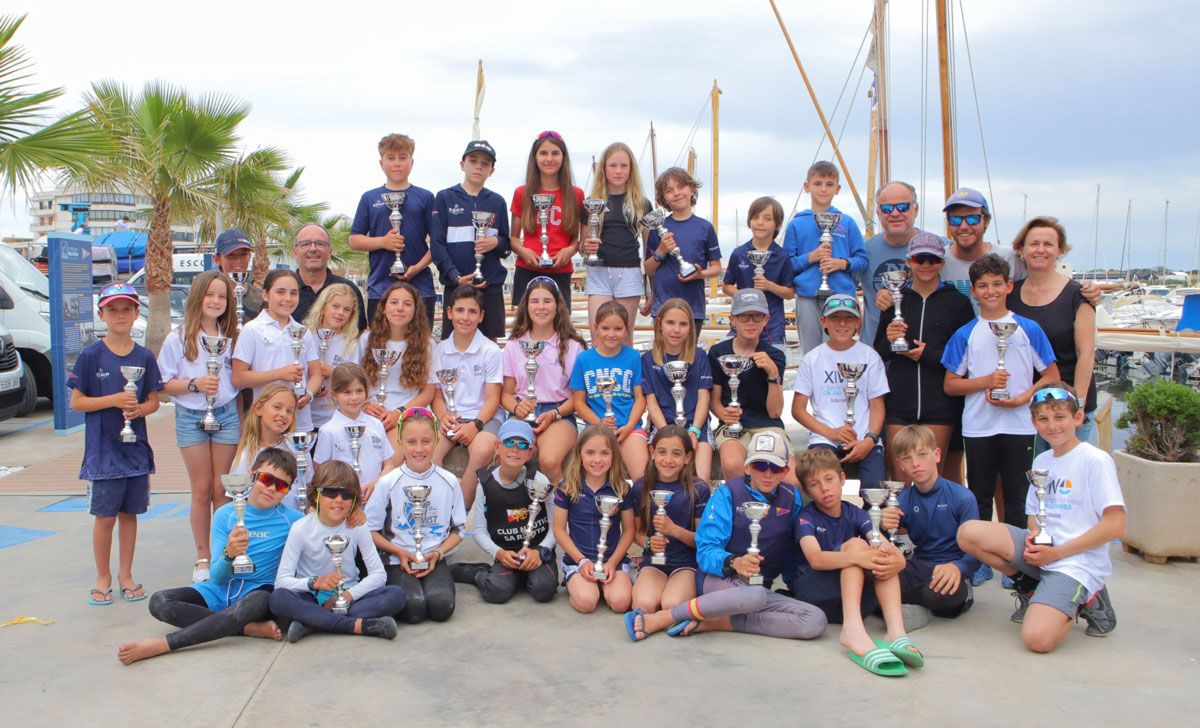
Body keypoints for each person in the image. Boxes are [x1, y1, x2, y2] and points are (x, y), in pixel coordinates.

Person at [957, 383, 1124, 652]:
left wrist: (1057, 554)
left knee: (1037, 640)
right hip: (1045, 553)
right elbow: (1034, 515)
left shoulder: (1096, 460)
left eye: (1060, 417)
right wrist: (1035, 537)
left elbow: (1116, 525)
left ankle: (1092, 598)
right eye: (1043, 419)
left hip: (1075, 562)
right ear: (1033, 422)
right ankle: (1033, 590)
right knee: (968, 533)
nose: (1052, 426)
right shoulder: (1042, 460)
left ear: (1078, 418)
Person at [626, 430, 826, 642]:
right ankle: (667, 617)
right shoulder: (727, 493)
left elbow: (789, 549)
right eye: (760, 465)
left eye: (776, 467)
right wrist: (734, 562)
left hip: (756, 588)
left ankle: (716, 623)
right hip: (719, 577)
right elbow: (705, 550)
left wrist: (795, 585)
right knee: (754, 595)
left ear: (786, 470)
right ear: (747, 466)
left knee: (815, 619)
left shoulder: (791, 497)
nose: (768, 474)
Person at [116, 448, 303, 664]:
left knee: (259, 601)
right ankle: (246, 629)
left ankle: (164, 644)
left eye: (281, 485)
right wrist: (228, 554)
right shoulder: (225, 514)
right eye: (266, 479)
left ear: (288, 491)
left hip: (258, 591)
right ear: (251, 475)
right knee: (159, 602)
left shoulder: (294, 521)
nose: (271, 488)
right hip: (218, 591)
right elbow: (217, 578)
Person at [942, 253, 1060, 527]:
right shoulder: (965, 333)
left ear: (1009, 286)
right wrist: (986, 381)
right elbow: (950, 385)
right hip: (979, 427)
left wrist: (1022, 398)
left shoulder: (1028, 328)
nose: (990, 291)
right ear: (973, 291)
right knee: (979, 497)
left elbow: (1051, 375)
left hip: (1020, 426)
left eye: (997, 284)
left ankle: (1014, 563)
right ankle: (980, 563)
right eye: (983, 285)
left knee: (1017, 498)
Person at [789, 448, 921, 677]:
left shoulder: (856, 514)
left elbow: (879, 545)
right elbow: (816, 559)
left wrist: (896, 558)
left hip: (853, 600)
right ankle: (852, 630)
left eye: (829, 479)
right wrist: (857, 556)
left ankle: (896, 632)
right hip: (815, 595)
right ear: (806, 489)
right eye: (814, 484)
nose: (824, 489)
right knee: (856, 546)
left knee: (878, 553)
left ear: (842, 479)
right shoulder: (805, 517)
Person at [70, 283, 162, 605]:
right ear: (101, 315)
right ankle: (103, 575)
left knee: (129, 514)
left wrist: (138, 408)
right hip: (103, 453)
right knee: (105, 516)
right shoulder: (91, 356)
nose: (120, 315)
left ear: (137, 313)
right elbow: (77, 402)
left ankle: (126, 573)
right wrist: (114, 399)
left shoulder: (145, 356)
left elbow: (154, 401)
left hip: (134, 452)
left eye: (126, 309)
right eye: (112, 309)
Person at [156, 271, 240, 582]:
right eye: (210, 295)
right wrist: (195, 384)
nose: (216, 301)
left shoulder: (233, 338)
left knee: (223, 490)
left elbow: (239, 380)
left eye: (222, 296)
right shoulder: (178, 338)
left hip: (227, 414)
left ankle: (224, 555)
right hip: (191, 417)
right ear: (197, 298)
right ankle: (203, 556)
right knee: (202, 489)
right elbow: (164, 382)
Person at [873, 234, 974, 479]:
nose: (926, 265)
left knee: (932, 476)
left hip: (940, 403)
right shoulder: (895, 300)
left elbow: (967, 358)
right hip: (899, 400)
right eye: (920, 258)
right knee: (901, 475)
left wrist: (928, 355)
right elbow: (878, 352)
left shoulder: (958, 302)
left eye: (933, 259)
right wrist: (889, 337)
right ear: (909, 261)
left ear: (941, 262)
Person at [269, 460, 404, 643]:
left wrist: (347, 596)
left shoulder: (357, 526)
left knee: (396, 595)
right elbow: (281, 581)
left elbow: (379, 574)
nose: (338, 499)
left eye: (346, 494)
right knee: (278, 598)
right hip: (312, 596)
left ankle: (312, 622)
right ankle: (358, 626)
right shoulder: (300, 528)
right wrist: (315, 583)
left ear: (354, 499)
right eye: (330, 492)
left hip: (350, 594)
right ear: (316, 496)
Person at [366, 407, 466, 624]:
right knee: (413, 610)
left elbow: (459, 530)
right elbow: (370, 530)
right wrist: (399, 552)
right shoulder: (388, 482)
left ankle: (451, 571)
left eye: (426, 441)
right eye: (411, 442)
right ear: (401, 443)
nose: (419, 449)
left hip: (433, 557)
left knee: (441, 607)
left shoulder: (448, 481)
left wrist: (438, 554)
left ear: (437, 442)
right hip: (397, 560)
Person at [1007, 217, 1097, 449]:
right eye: (1034, 243)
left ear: (1060, 250)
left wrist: (1078, 404)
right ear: (1021, 249)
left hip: (1067, 409)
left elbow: (1086, 354)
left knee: (1067, 481)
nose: (1040, 250)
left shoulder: (1078, 295)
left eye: (1048, 244)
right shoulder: (1010, 295)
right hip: (1027, 408)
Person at [880, 425, 980, 626]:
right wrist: (881, 526)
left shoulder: (962, 496)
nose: (916, 464)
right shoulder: (902, 499)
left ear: (937, 455)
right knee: (872, 575)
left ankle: (895, 605)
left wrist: (958, 567)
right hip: (919, 568)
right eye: (907, 458)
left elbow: (978, 554)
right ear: (900, 464)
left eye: (922, 455)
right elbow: (883, 546)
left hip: (951, 571)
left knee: (946, 594)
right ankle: (908, 607)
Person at [451, 420, 559, 604]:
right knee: (496, 592)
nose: (515, 449)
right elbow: (478, 531)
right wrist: (498, 553)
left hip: (536, 552)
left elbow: (556, 527)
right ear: (497, 447)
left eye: (522, 444)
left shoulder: (540, 481)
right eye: (509, 442)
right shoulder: (486, 483)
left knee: (544, 590)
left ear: (530, 452)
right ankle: (480, 572)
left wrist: (541, 551)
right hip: (506, 552)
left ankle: (519, 577)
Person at [792, 294, 889, 491]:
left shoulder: (870, 356)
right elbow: (798, 410)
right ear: (823, 321)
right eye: (835, 318)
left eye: (849, 318)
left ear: (858, 322)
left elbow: (878, 406)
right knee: (821, 487)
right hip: (824, 439)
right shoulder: (813, 358)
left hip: (864, 439)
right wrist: (831, 432)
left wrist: (870, 439)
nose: (842, 323)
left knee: (876, 490)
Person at [501, 276, 584, 484]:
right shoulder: (513, 345)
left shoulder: (573, 346)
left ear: (558, 306)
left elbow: (578, 398)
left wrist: (555, 413)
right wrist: (516, 408)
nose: (541, 307)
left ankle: (561, 511)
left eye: (547, 301)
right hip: (522, 411)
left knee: (548, 461)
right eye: (534, 301)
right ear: (526, 306)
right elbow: (506, 393)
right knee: (508, 460)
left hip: (559, 413)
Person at [349, 133, 436, 323]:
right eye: (391, 158)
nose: (397, 163)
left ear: (411, 162)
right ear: (381, 163)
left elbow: (438, 243)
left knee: (421, 347)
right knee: (380, 347)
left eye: (402, 157)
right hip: (381, 287)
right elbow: (354, 240)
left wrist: (417, 268)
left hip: (420, 287)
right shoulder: (369, 198)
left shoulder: (426, 197)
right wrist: (383, 242)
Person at [428, 140, 510, 340]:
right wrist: (455, 276)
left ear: (491, 170)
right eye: (473, 161)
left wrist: (496, 243)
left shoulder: (497, 201)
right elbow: (437, 245)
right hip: (456, 287)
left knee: (490, 347)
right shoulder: (445, 197)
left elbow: (507, 245)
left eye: (485, 163)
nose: (479, 167)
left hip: (490, 287)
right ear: (462, 164)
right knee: (453, 347)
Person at [783, 161, 867, 354]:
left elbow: (862, 260)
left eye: (829, 184)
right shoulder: (796, 224)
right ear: (807, 187)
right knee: (811, 353)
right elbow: (786, 265)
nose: (823, 189)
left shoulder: (847, 222)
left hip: (842, 297)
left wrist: (842, 263)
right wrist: (810, 257)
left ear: (837, 189)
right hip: (807, 297)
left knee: (841, 352)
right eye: (818, 183)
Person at [431, 285, 503, 509]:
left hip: (484, 418)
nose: (465, 317)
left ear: (481, 316)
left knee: (482, 453)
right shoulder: (438, 350)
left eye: (472, 312)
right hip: (449, 418)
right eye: (460, 310)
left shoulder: (490, 350)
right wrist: (443, 417)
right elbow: (435, 395)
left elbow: (493, 399)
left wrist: (475, 425)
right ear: (449, 312)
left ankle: (459, 514)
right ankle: (437, 509)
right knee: (428, 451)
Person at [553, 425, 635, 614]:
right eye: (590, 452)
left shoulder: (622, 488)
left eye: (605, 453)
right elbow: (559, 529)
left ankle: (608, 583)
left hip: (612, 560)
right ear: (579, 454)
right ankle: (577, 581)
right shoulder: (567, 487)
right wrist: (581, 561)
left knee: (621, 603)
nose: (597, 460)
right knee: (586, 603)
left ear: (614, 456)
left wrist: (613, 563)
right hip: (578, 560)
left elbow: (629, 530)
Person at [629, 426, 709, 616]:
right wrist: (649, 543)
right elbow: (638, 533)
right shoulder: (641, 486)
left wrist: (674, 530)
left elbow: (703, 540)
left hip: (686, 564)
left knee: (671, 605)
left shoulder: (699, 489)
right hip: (653, 563)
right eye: (662, 452)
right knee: (643, 606)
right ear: (652, 453)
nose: (668, 460)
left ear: (687, 458)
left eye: (676, 454)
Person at [709, 289, 788, 482]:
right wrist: (723, 414)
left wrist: (773, 374)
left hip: (768, 426)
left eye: (756, 316)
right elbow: (715, 401)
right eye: (743, 316)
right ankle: (739, 510)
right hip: (731, 426)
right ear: (732, 320)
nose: (750, 322)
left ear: (766, 320)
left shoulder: (775, 356)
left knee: (791, 478)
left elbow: (775, 412)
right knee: (732, 464)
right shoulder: (718, 352)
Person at [231, 269, 322, 434]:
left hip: (298, 421)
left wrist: (308, 394)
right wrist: (280, 374)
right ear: (265, 295)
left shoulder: (303, 332)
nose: (288, 299)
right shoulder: (252, 330)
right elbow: (239, 377)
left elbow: (316, 373)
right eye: (280, 292)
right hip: (264, 422)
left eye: (293, 293)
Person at [581, 142, 652, 341]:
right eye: (613, 165)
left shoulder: (643, 204)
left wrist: (651, 289)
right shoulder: (590, 203)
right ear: (603, 168)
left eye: (624, 165)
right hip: (598, 273)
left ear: (631, 169)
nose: (618, 171)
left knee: (624, 337)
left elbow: (648, 251)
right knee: (598, 335)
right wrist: (586, 248)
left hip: (629, 273)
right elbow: (582, 246)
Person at [569, 300, 648, 481]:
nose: (611, 334)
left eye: (618, 329)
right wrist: (599, 424)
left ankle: (639, 509)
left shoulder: (633, 357)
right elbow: (579, 402)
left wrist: (628, 426)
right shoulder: (584, 359)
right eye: (605, 328)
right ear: (596, 327)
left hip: (629, 428)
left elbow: (640, 399)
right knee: (594, 478)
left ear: (627, 328)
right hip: (596, 429)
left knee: (642, 478)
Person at [640, 298, 714, 481]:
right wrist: (667, 434)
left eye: (683, 324)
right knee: (656, 479)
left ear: (690, 327)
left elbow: (703, 399)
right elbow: (652, 403)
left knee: (701, 482)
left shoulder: (700, 356)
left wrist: (695, 430)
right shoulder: (648, 360)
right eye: (670, 323)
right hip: (662, 426)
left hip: (696, 426)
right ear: (659, 324)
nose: (676, 330)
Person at [509, 131, 583, 306]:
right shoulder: (522, 193)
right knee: (524, 328)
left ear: (563, 157)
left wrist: (570, 251)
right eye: (543, 153)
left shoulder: (576, 195)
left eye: (555, 153)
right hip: (527, 268)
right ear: (534, 157)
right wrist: (524, 252)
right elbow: (513, 239)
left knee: (560, 328)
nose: (549, 159)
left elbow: (576, 240)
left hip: (561, 269)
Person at [360, 281, 435, 452]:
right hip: (370, 412)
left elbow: (428, 392)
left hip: (408, 414)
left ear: (415, 311)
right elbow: (356, 381)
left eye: (407, 304)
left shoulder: (427, 344)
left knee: (392, 455)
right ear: (384, 308)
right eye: (394, 302)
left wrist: (399, 413)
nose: (400, 308)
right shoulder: (366, 339)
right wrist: (364, 405)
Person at [643, 167, 722, 327]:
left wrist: (700, 274)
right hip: (662, 308)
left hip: (693, 308)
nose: (677, 193)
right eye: (669, 190)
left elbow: (717, 268)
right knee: (662, 353)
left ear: (692, 189)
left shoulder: (705, 227)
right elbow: (648, 269)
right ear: (663, 198)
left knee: (689, 353)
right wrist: (661, 251)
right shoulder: (657, 228)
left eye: (681, 187)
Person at [312, 363, 400, 501]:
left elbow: (389, 465)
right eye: (347, 392)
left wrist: (376, 484)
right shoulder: (328, 430)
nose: (354, 397)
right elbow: (320, 471)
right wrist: (343, 493)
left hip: (375, 499)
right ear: (334, 395)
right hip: (342, 503)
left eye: (359, 391)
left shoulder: (376, 425)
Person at [721, 196, 795, 345]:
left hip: (773, 328)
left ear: (778, 225)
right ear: (749, 221)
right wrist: (746, 297)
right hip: (741, 326)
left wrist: (769, 286)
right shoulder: (739, 253)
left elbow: (789, 293)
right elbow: (726, 286)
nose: (760, 222)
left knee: (773, 365)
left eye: (768, 218)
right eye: (755, 217)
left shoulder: (782, 256)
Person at [860, 181, 926, 346]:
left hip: (922, 354)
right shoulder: (862, 251)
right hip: (875, 354)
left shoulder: (938, 248)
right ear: (878, 212)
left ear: (915, 209)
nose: (895, 213)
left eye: (903, 207)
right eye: (887, 208)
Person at [230, 384, 307, 508]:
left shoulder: (299, 448)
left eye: (289, 411)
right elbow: (237, 499)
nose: (283, 414)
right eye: (277, 407)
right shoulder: (246, 454)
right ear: (258, 408)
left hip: (296, 521)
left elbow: (311, 485)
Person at [302, 282, 364, 430]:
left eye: (346, 309)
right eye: (335, 306)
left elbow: (355, 381)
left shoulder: (351, 344)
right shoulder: (305, 336)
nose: (340, 312)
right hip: (306, 416)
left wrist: (333, 373)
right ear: (323, 308)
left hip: (335, 417)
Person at [291, 223, 367, 330]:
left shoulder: (349, 289)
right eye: (305, 244)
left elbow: (358, 333)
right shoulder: (285, 291)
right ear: (295, 252)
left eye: (320, 244)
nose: (313, 249)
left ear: (330, 252)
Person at [212, 229, 261, 324]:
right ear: (216, 259)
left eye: (243, 254)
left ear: (250, 256)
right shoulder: (210, 301)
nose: (238, 261)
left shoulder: (261, 299)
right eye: (230, 255)